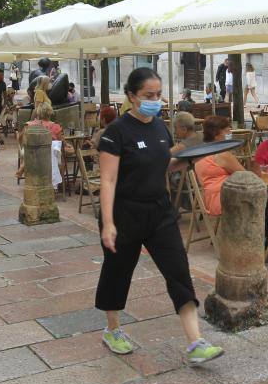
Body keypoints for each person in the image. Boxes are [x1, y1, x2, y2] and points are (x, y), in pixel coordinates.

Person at [95, 67, 223, 363]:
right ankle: (112, 329)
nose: (155, 100)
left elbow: (162, 165)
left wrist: (190, 159)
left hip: (159, 212)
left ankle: (196, 342)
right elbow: (108, 180)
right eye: (148, 95)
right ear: (131, 96)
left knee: (178, 271)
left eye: (158, 95)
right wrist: (109, 222)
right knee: (118, 271)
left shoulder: (160, 127)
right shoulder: (116, 133)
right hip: (124, 213)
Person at [195, 116, 246, 216]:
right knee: (264, 194)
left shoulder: (199, 152)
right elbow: (246, 176)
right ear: (216, 134)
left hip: (209, 199)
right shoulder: (222, 154)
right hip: (226, 200)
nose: (230, 134)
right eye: (227, 131)